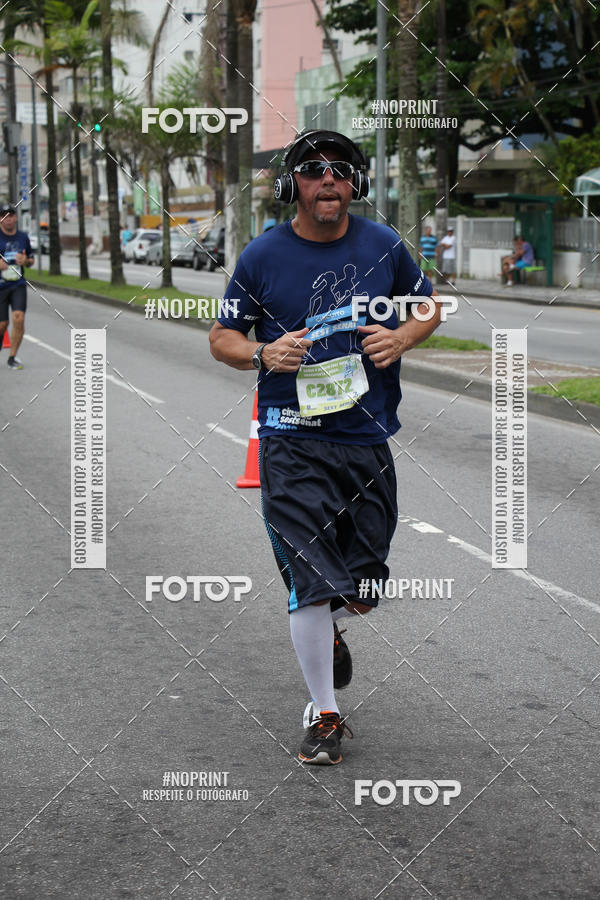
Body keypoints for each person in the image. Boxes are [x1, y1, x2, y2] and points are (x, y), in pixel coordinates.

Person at [209, 129, 443, 765]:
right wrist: (261, 351)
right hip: (291, 437)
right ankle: (327, 715)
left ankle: (335, 628)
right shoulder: (262, 256)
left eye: (342, 169)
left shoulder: (383, 245)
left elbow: (429, 309)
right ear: (293, 185)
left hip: (366, 438)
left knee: (362, 588)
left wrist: (404, 339)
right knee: (310, 582)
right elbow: (221, 337)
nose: (329, 179)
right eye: (313, 170)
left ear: (356, 183)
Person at [0, 204, 34, 370]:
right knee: (3, 324)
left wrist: (25, 261)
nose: (8, 219)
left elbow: (31, 260)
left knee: (19, 319)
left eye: (11, 215)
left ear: (16, 217)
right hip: (0, 286)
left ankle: (12, 357)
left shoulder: (22, 237)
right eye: (5, 215)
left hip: (18, 284)